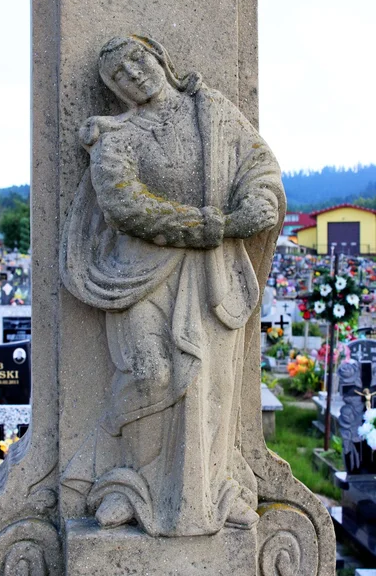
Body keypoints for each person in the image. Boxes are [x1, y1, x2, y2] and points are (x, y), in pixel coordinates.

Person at [60, 35, 285, 537]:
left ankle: (214, 491)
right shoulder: (113, 136)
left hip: (210, 275)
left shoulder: (211, 110)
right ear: (115, 90)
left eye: (137, 59)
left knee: (211, 385)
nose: (133, 74)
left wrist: (260, 197)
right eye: (119, 74)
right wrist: (213, 226)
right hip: (139, 273)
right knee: (153, 373)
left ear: (159, 56)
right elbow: (126, 207)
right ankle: (126, 484)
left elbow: (257, 164)